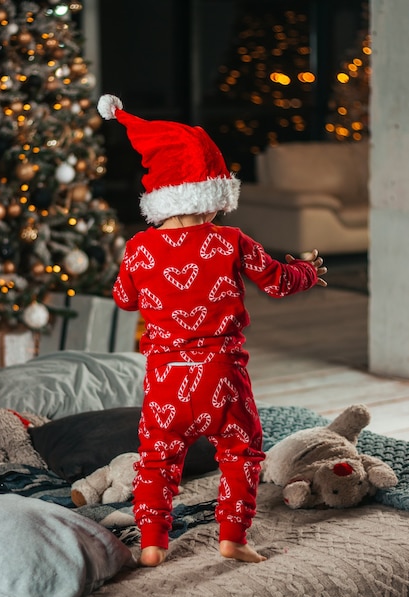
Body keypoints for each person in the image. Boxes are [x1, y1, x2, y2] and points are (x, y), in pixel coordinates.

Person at [97, 94, 328, 567]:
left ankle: (154, 543)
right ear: (212, 193)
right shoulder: (230, 240)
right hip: (221, 375)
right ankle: (232, 537)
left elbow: (123, 298)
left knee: (157, 459)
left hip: (167, 379)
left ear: (160, 200)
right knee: (241, 452)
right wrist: (305, 271)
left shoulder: (140, 248)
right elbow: (279, 282)